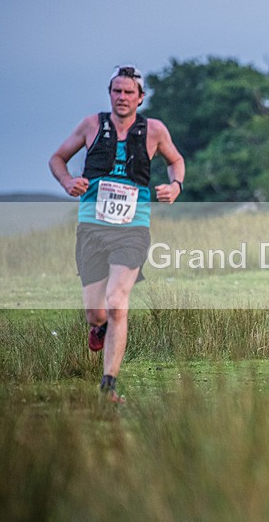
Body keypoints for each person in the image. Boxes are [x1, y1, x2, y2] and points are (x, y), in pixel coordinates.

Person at [49, 65, 185, 403]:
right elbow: (57, 158)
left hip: (133, 229)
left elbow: (176, 160)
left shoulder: (154, 130)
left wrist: (175, 186)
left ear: (140, 97)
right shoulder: (91, 125)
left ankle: (109, 385)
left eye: (128, 93)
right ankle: (101, 328)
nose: (122, 98)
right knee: (96, 313)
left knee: (117, 303)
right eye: (116, 91)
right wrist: (68, 182)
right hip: (92, 228)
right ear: (110, 94)